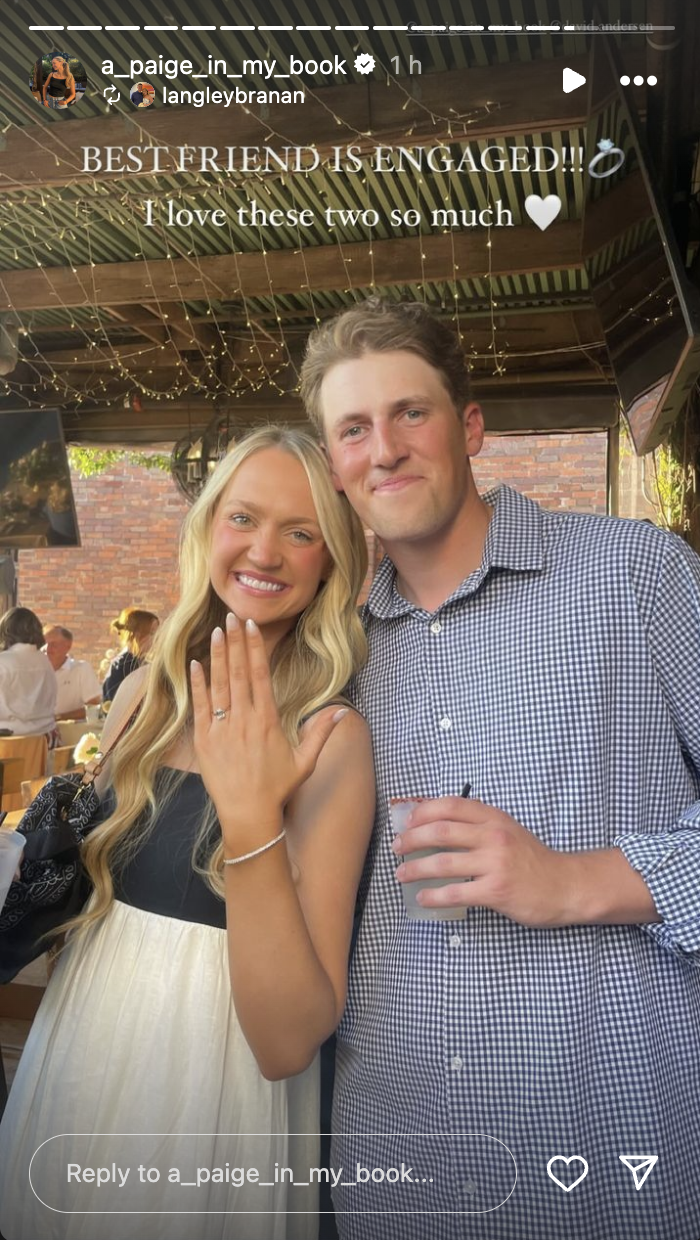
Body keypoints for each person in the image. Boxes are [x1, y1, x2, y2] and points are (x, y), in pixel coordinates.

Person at [298, 298, 700, 1240]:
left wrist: (579, 879)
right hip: (399, 1156)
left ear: (470, 425)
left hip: (615, 1138)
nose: (385, 448)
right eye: (354, 427)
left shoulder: (630, 572)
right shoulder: (336, 658)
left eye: (412, 412)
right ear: (335, 467)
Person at [0, 426, 375, 1240]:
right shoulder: (141, 694)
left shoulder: (328, 735)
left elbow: (288, 1042)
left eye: (301, 532)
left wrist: (251, 819)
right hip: (86, 1042)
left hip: (217, 1081)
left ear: (328, 565)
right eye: (243, 517)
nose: (266, 551)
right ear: (207, 529)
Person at [0, 606, 56, 736]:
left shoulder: (3, 662)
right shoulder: (44, 661)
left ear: (5, 631)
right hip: (44, 738)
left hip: (8, 742)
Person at [42, 625, 101, 720]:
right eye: (44, 643)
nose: (47, 649)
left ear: (68, 646)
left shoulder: (81, 669)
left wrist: (59, 717)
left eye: (53, 644)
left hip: (71, 732)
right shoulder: (34, 672)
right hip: (39, 732)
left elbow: (93, 707)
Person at [101, 606, 159, 703]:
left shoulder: (141, 661)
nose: (158, 638)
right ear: (137, 635)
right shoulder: (124, 664)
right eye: (153, 633)